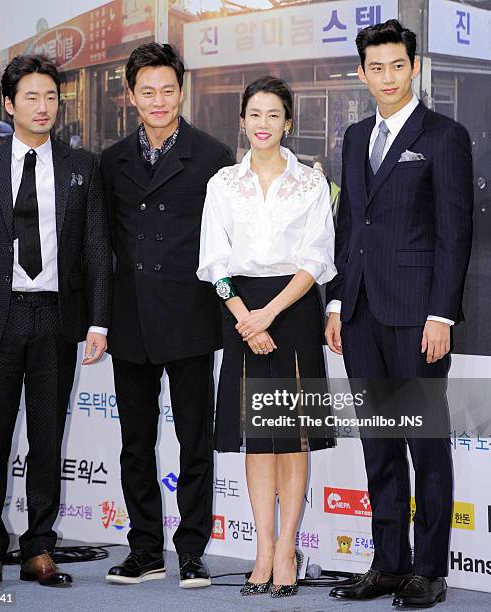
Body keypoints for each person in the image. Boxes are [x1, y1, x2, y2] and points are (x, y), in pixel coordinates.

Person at [0, 55, 112, 591]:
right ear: (10, 105)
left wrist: (99, 322)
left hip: (57, 319)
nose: (44, 108)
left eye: (51, 98)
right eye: (32, 98)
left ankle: (40, 548)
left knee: (46, 440)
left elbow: (95, 250)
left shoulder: (80, 166)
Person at [325, 20, 473, 608]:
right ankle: (388, 564)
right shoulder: (356, 135)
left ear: (414, 66)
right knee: (377, 444)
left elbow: (455, 231)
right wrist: (336, 301)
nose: (386, 76)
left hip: (417, 317)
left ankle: (429, 570)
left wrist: (442, 314)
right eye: (375, 67)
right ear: (362, 73)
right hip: (359, 313)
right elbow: (349, 225)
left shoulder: (444, 135)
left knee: (423, 443)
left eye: (396, 64)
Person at [100, 43, 234, 589]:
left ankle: (193, 551)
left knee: (194, 441)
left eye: (168, 90)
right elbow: (100, 241)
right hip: (129, 316)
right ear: (131, 95)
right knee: (135, 442)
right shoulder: (111, 161)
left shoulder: (213, 156)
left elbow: (227, 244)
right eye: (147, 91)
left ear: (184, 89)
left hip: (190, 315)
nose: (159, 101)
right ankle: (145, 550)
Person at [197, 76, 336, 598]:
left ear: (288, 122)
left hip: (293, 311)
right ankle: (261, 549)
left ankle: (287, 551)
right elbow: (214, 261)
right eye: (254, 114)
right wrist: (245, 317)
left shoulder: (310, 183)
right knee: (258, 441)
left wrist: (269, 314)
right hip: (239, 312)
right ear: (242, 120)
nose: (263, 124)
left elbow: (316, 258)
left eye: (274, 115)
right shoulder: (222, 183)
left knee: (291, 440)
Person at [312, 155, 341, 221]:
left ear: (325, 173)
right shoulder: (309, 189)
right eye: (313, 170)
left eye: (317, 170)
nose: (314, 173)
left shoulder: (337, 192)